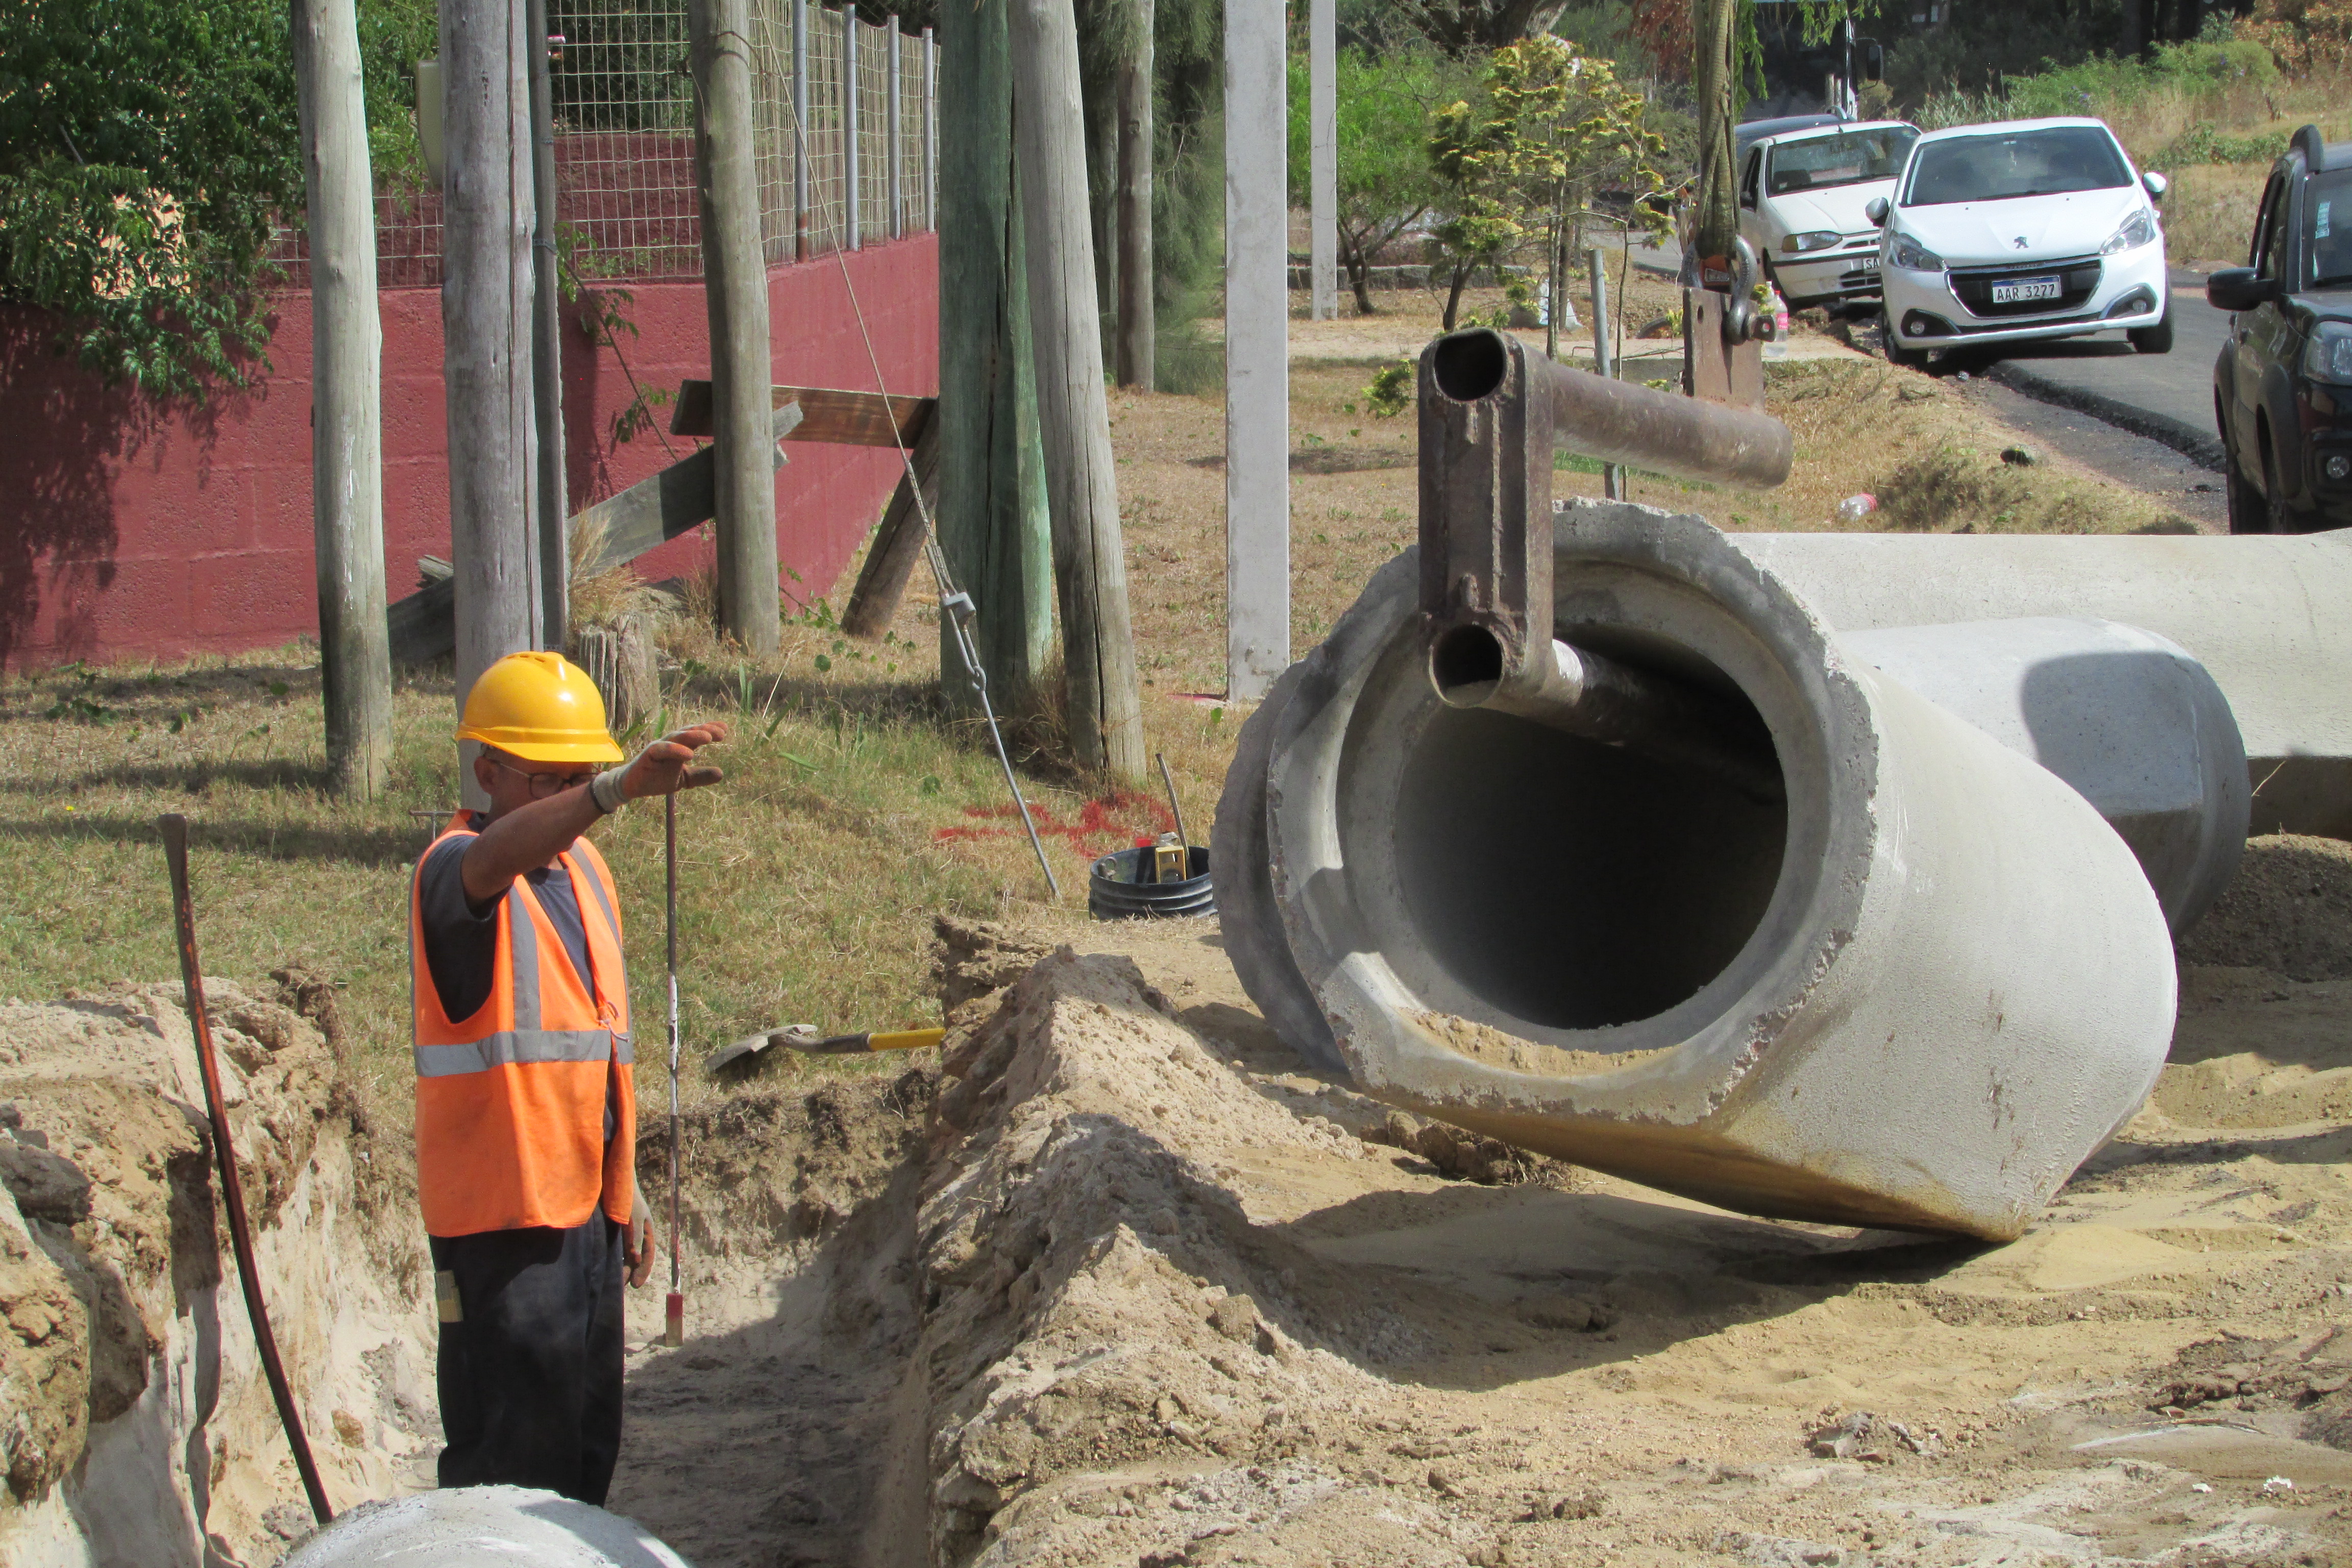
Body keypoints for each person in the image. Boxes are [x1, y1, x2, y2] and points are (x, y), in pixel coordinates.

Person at [409, 650, 726, 1504]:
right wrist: (611, 791)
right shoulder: (455, 871)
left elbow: (592, 1052)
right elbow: (493, 863)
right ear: (487, 772)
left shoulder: (585, 873)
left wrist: (626, 1193)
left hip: (581, 1216)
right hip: (502, 1236)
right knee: (513, 1472)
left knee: (586, 1456)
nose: (575, 798)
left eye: (581, 775)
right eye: (552, 780)